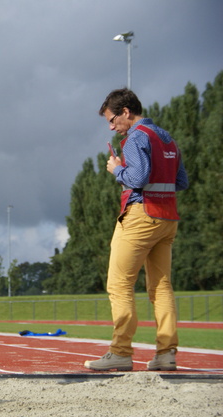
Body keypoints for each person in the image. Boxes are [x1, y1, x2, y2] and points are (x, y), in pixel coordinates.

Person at [85, 88, 189, 371]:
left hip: (141, 216)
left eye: (112, 119)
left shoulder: (135, 138)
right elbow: (182, 181)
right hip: (168, 218)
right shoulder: (166, 137)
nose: (111, 126)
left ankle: (120, 351)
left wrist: (116, 169)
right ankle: (166, 353)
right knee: (161, 287)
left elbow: (138, 178)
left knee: (119, 285)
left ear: (127, 112)